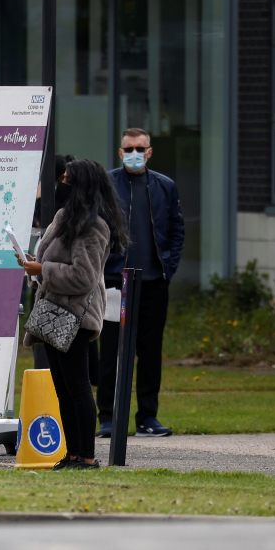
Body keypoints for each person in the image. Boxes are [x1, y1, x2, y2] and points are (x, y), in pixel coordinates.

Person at [19, 158, 129, 470]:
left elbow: (83, 276)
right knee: (62, 389)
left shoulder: (93, 227)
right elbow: (52, 262)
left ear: (81, 185)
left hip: (75, 315)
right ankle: (71, 454)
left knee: (78, 387)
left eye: (67, 179)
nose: (61, 184)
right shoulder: (64, 217)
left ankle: (88, 456)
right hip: (53, 310)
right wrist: (34, 265)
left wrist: (43, 269)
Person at [96, 128, 184, 439]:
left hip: (153, 282)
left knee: (150, 352)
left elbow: (176, 229)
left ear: (149, 152)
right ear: (120, 153)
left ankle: (148, 417)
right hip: (115, 282)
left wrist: (167, 269)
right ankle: (107, 416)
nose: (134, 153)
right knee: (111, 351)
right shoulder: (106, 184)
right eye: (129, 148)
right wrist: (104, 269)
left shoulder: (164, 186)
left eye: (140, 148)